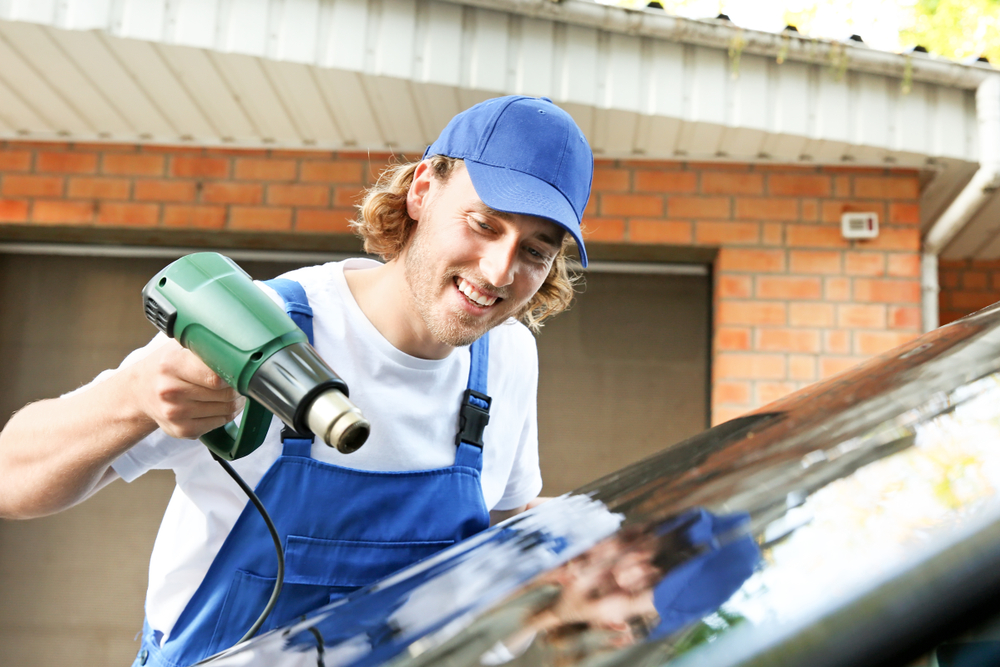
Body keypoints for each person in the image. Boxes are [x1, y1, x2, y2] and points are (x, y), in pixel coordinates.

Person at [0, 95, 594, 666]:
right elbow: (9, 478)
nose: (500, 271)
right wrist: (132, 397)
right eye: (484, 224)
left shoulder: (509, 356)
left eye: (535, 252)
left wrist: (581, 549)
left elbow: (501, 522)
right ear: (422, 190)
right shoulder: (253, 327)